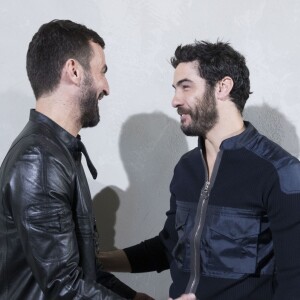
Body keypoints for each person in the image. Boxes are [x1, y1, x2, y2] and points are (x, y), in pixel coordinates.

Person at [99, 40, 300, 299]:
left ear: (223, 87)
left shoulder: (280, 172)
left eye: (186, 87)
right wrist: (97, 261)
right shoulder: (187, 168)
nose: (174, 100)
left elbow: (294, 285)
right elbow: (171, 245)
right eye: (175, 89)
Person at [0, 19, 153, 300]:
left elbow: (85, 271)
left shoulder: (59, 151)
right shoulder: (41, 160)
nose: (106, 87)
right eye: (102, 72)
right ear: (74, 71)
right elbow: (64, 286)